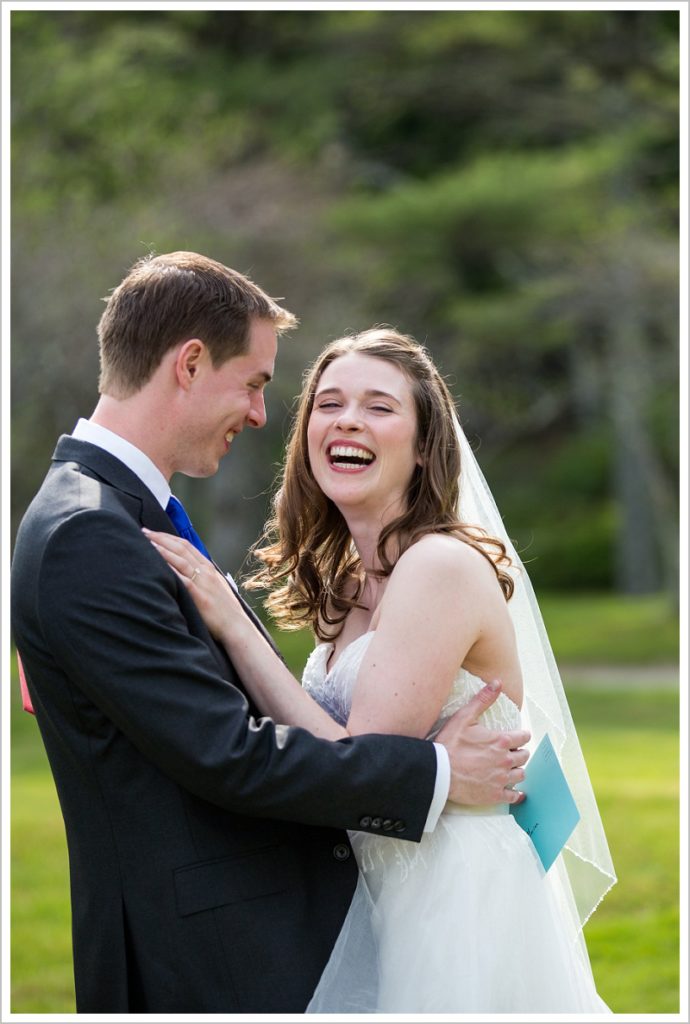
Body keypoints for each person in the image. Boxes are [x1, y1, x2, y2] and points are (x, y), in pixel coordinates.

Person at [10, 254, 532, 1014]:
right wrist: (438, 775)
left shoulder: (115, 518)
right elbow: (231, 754)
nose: (262, 414)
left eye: (380, 407)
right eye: (255, 384)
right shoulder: (90, 531)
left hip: (410, 915)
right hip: (206, 953)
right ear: (190, 363)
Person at [147, 326, 617, 1013]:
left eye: (379, 406)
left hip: (456, 900)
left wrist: (234, 626)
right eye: (328, 403)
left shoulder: (438, 567)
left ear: (425, 447)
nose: (347, 421)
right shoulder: (347, 580)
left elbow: (354, 759)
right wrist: (439, 767)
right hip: (378, 893)